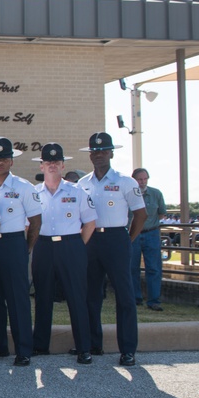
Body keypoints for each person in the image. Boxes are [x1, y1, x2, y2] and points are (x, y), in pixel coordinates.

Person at [77, 132, 146, 367]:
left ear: (111, 153)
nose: (98, 155)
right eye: (94, 151)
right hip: (90, 240)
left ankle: (127, 350)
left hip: (116, 239)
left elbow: (141, 214)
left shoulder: (126, 181)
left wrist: (128, 239)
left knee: (124, 296)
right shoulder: (82, 183)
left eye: (103, 151)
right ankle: (93, 343)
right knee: (91, 295)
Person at [31, 143, 97, 364]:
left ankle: (83, 347)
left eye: (56, 162)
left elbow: (90, 223)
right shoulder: (33, 192)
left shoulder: (76, 191)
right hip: (43, 246)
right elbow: (27, 225)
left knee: (77, 298)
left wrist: (77, 245)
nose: (52, 165)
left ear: (62, 165)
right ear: (42, 165)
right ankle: (40, 345)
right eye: (47, 162)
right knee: (42, 297)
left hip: (71, 246)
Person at [0, 137, 42, 366]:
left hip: (14, 244)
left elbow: (36, 221)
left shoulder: (24, 187)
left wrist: (25, 248)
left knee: (17, 299)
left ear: (11, 161)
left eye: (4, 158)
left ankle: (24, 349)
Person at [130, 168, 167, 312]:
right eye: (140, 179)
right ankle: (135, 298)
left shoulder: (156, 194)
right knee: (132, 268)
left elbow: (162, 213)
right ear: (134, 180)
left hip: (151, 234)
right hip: (134, 234)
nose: (142, 182)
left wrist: (149, 225)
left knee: (154, 268)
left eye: (145, 179)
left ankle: (154, 300)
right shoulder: (129, 193)